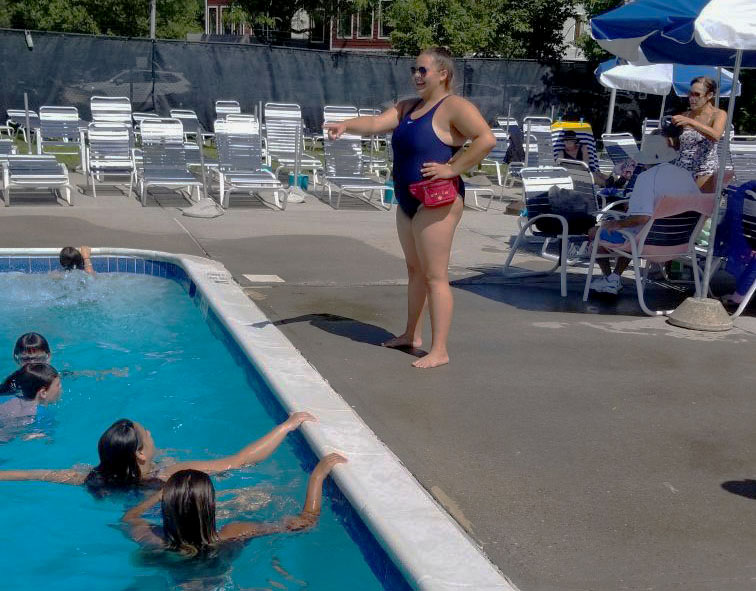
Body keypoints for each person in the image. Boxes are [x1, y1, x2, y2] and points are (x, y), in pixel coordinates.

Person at [325, 47, 495, 368]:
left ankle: (439, 349)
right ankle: (410, 335)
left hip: (438, 201)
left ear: (442, 74)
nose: (416, 76)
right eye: (414, 70)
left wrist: (453, 168)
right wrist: (346, 124)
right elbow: (376, 123)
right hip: (407, 199)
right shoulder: (408, 107)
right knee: (415, 271)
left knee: (435, 276)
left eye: (423, 71)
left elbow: (486, 139)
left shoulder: (453, 107)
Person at [0, 412, 315, 493]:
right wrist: (287, 426)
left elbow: (32, 473)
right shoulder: (170, 474)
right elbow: (241, 460)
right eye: (145, 433)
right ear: (140, 455)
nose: (150, 433)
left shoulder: (92, 478)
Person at [122, 453, 347, 556]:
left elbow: (129, 517)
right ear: (211, 506)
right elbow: (305, 523)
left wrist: (161, 494)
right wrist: (317, 477)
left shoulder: (152, 538)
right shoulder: (233, 533)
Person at [587, 125, 700, 295]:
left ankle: (611, 277)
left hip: (650, 242)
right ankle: (613, 279)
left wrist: (615, 223)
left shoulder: (647, 178)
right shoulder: (685, 175)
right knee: (631, 231)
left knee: (595, 231)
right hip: (682, 242)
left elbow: (642, 218)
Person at [671, 76, 727, 192]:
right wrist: (668, 135)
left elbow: (716, 135)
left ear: (709, 96)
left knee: (701, 207)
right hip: (681, 170)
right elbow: (676, 146)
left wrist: (691, 122)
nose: (692, 98)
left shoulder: (718, 114)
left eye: (697, 95)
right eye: (690, 94)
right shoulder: (685, 115)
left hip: (704, 172)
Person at [0, 364, 61, 440]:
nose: (60, 387)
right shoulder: (44, 414)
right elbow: (28, 438)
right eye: (58, 385)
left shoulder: (6, 398)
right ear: (43, 393)